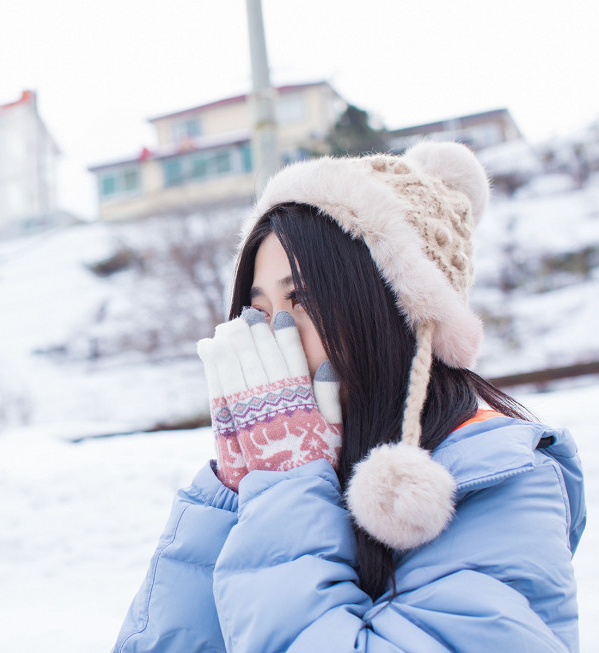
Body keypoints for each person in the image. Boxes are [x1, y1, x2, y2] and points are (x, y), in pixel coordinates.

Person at [112, 142, 585, 652]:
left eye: (301, 300)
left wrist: (287, 489)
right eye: (260, 310)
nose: (277, 335)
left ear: (389, 311)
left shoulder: (497, 481)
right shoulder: (311, 461)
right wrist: (234, 495)